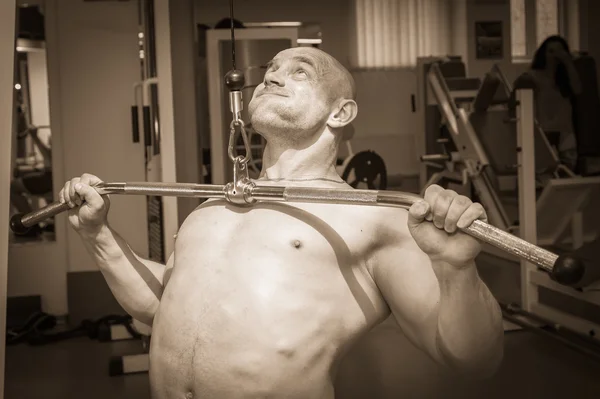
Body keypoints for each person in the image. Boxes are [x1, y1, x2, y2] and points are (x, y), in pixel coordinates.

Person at [60, 47, 504, 399]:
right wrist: (97, 234)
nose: (270, 77)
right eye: (271, 69)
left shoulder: (374, 217)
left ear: (341, 113)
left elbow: (472, 361)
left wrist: (458, 270)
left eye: (300, 72)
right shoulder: (211, 208)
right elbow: (159, 308)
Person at [513, 35, 582, 172]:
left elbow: (578, 90)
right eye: (551, 51)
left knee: (568, 172)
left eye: (559, 51)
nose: (554, 56)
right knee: (546, 172)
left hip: (566, 131)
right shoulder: (532, 76)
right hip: (544, 131)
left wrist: (568, 62)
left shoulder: (565, 77)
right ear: (543, 54)